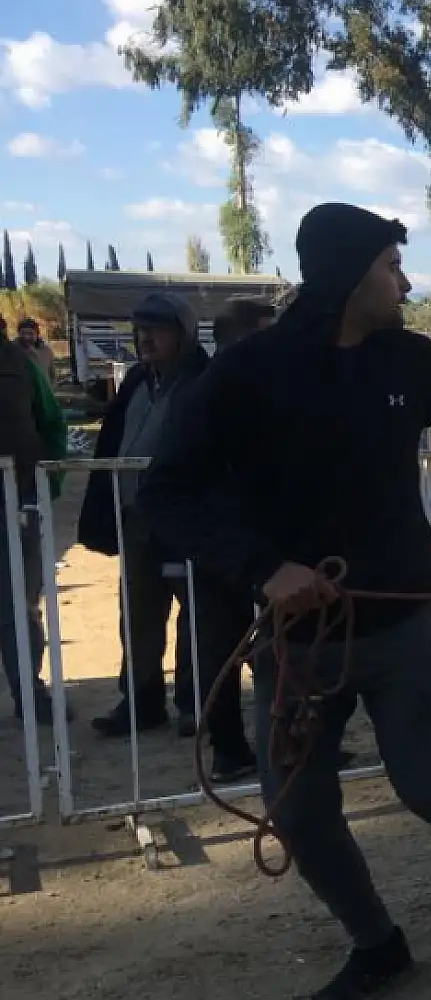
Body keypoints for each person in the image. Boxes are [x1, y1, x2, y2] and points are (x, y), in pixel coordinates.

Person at [138, 202, 431, 1000]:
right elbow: (167, 490)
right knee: (298, 812)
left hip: (404, 617)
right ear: (346, 273)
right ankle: (377, 944)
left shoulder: (410, 360)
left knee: (430, 787)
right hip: (299, 643)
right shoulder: (245, 373)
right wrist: (264, 568)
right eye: (392, 266)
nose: (406, 283)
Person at [77, 294, 258, 782]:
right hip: (137, 518)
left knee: (199, 616)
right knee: (137, 614)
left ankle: (192, 704)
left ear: (182, 331)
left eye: (156, 329)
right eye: (139, 330)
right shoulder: (137, 381)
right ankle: (138, 701)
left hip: (188, 519)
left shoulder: (205, 381)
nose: (145, 339)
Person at [0, 315, 69, 721]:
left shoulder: (19, 363)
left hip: (18, 500)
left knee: (20, 602)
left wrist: (46, 486)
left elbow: (53, 424)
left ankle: (29, 691)